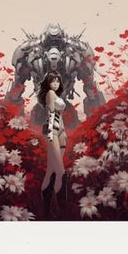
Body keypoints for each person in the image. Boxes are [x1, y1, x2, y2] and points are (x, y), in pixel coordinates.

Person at [30, 72, 74, 214]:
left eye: (57, 81)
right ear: (48, 84)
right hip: (52, 131)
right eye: (52, 81)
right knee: (61, 173)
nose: (55, 84)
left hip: (60, 131)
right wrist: (50, 135)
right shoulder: (50, 93)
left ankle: (47, 208)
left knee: (52, 171)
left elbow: (58, 115)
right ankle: (63, 210)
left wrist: (63, 132)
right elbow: (51, 114)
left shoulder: (56, 95)